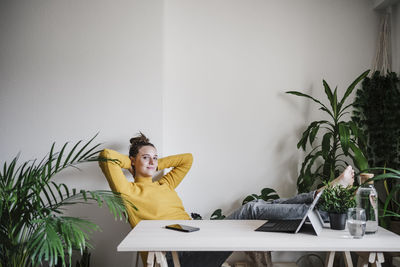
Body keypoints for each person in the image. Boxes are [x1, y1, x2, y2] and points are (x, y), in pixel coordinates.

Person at [99, 132, 355, 267]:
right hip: (176, 258)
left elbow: (187, 158)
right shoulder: (128, 191)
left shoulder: (164, 183)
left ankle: (319, 196)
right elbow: (106, 156)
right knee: (252, 209)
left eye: (156, 157)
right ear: (132, 161)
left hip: (196, 240)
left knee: (255, 210)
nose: (153, 161)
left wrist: (153, 164)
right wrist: (133, 163)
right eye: (146, 157)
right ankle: (321, 199)